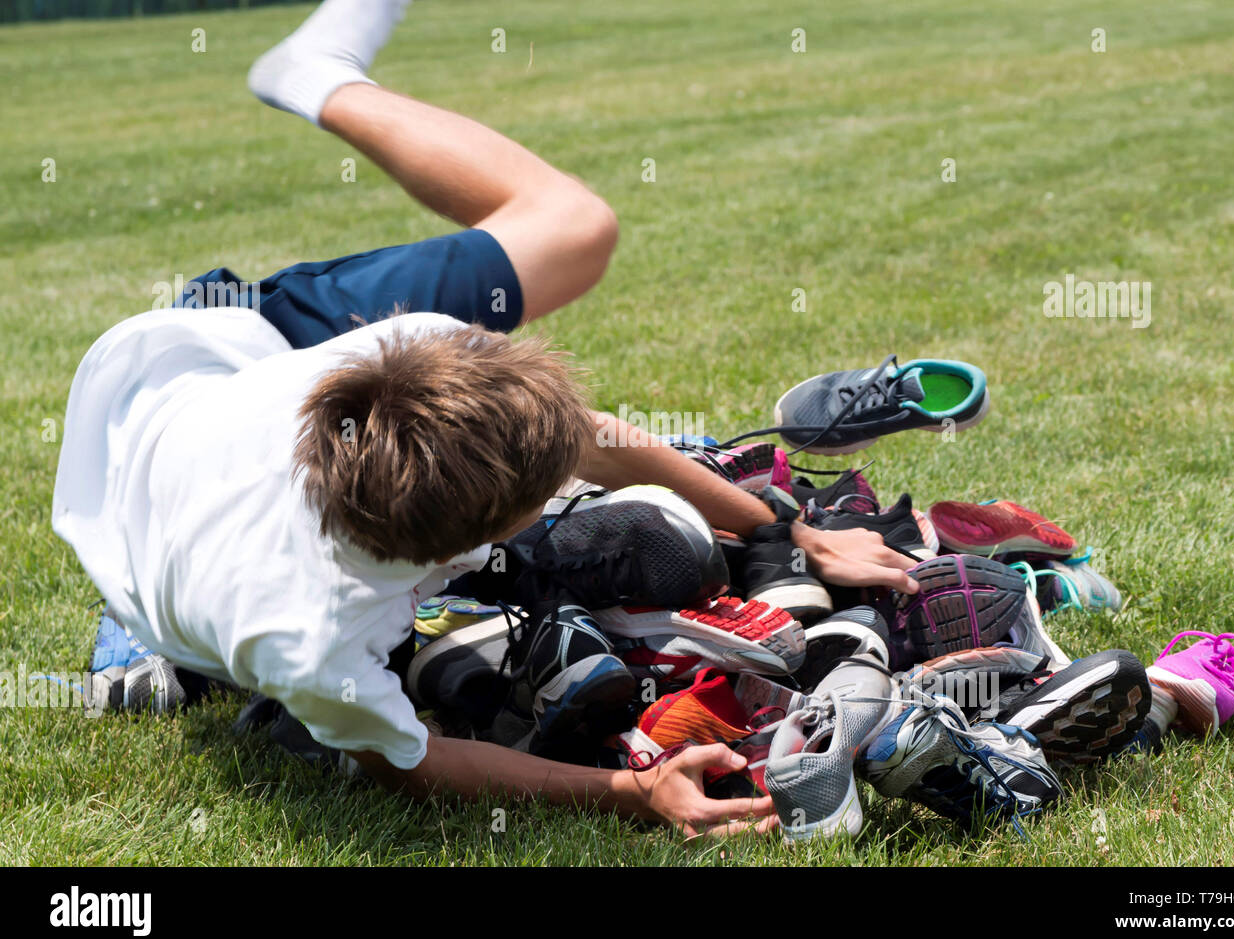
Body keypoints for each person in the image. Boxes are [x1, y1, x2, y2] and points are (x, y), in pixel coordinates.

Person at [51, 0, 917, 840]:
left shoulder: (405, 362)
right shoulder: (313, 644)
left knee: (574, 228)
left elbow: (590, 436)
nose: (571, 465)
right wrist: (635, 788)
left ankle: (319, 79)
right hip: (159, 463)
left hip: (219, 351)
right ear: (449, 549)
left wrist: (787, 529)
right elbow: (416, 763)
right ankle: (134, 630)